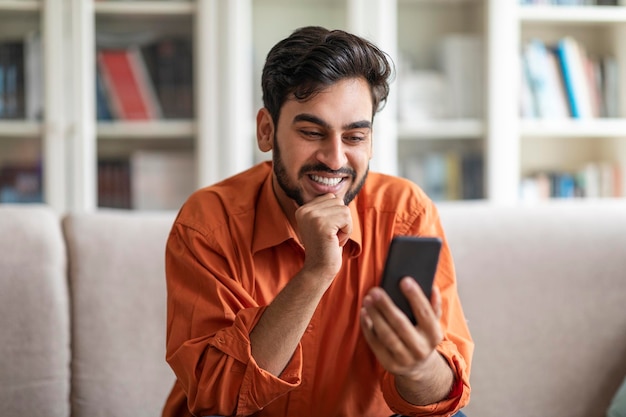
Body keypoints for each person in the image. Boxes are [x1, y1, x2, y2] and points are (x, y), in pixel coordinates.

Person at [162, 26, 473, 417]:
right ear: (266, 130)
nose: (335, 158)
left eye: (355, 137)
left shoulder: (405, 213)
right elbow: (218, 399)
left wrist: (417, 365)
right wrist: (316, 271)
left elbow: (445, 394)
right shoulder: (209, 222)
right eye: (312, 132)